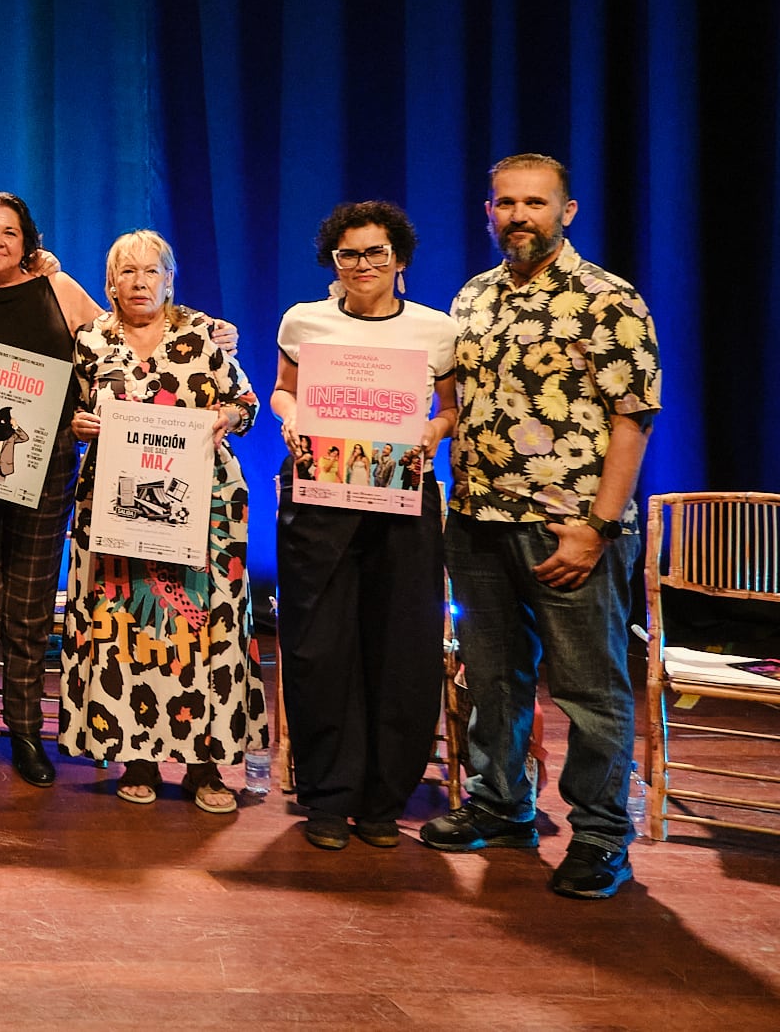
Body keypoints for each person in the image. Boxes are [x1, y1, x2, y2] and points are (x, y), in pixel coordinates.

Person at [423, 156, 661, 900]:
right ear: (487, 210)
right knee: (493, 678)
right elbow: (459, 404)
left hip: (568, 529)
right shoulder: (474, 295)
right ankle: (501, 804)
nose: (519, 214)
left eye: (536, 202)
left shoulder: (608, 298)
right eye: (506, 202)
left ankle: (598, 836)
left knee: (590, 689)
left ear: (569, 210)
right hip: (477, 520)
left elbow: (633, 420)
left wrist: (595, 526)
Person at [267, 200, 460, 850]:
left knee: (401, 650)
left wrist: (431, 431)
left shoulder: (437, 329)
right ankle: (327, 795)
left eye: (376, 252)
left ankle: (382, 799)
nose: (362, 265)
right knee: (321, 648)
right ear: (333, 259)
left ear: (400, 258)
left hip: (404, 503)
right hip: (321, 496)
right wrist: (291, 419)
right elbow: (282, 389)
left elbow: (452, 409)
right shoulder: (305, 319)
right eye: (348, 254)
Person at [60, 231, 264, 814]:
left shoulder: (204, 334)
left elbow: (247, 406)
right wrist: (82, 427)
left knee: (204, 634)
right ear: (111, 282)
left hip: (204, 516)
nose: (140, 282)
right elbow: (76, 411)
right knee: (128, 632)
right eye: (128, 273)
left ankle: (205, 766)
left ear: (170, 279)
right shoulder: (92, 341)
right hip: (115, 512)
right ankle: (138, 757)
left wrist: (224, 414)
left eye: (152, 272)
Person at [0, 191, 105, 789]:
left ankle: (28, 732)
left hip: (50, 460)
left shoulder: (59, 290)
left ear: (28, 240)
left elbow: (119, 348)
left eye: (9, 231)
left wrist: (206, 330)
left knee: (30, 610)